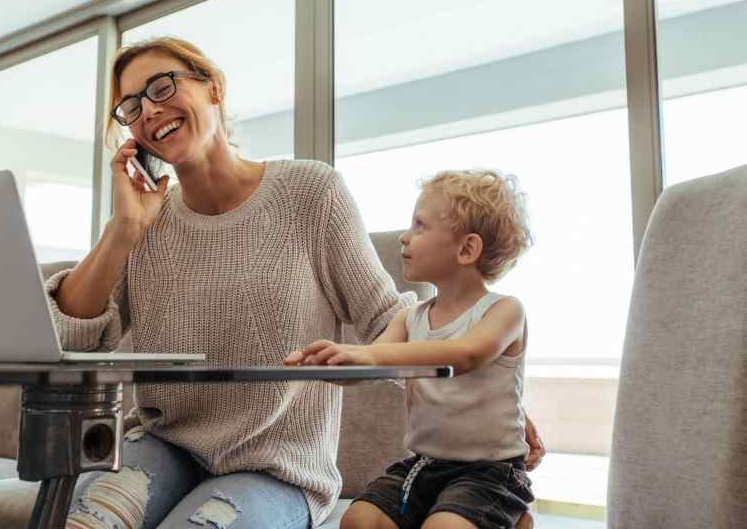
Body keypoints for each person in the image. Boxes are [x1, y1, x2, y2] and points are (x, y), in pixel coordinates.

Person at [46, 36, 544, 528]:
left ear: (213, 89)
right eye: (130, 106)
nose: (147, 110)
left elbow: (385, 323)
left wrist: (487, 399)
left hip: (278, 466)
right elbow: (74, 339)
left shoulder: (312, 192)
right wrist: (123, 231)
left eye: (160, 87)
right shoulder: (146, 219)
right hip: (162, 443)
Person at [286, 169, 537, 529]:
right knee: (358, 520)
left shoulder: (505, 311)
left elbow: (465, 355)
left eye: (419, 226)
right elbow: (371, 368)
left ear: (467, 248)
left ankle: (512, 517)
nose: (405, 237)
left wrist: (368, 353)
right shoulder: (409, 317)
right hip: (424, 464)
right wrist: (324, 363)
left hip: (490, 473)